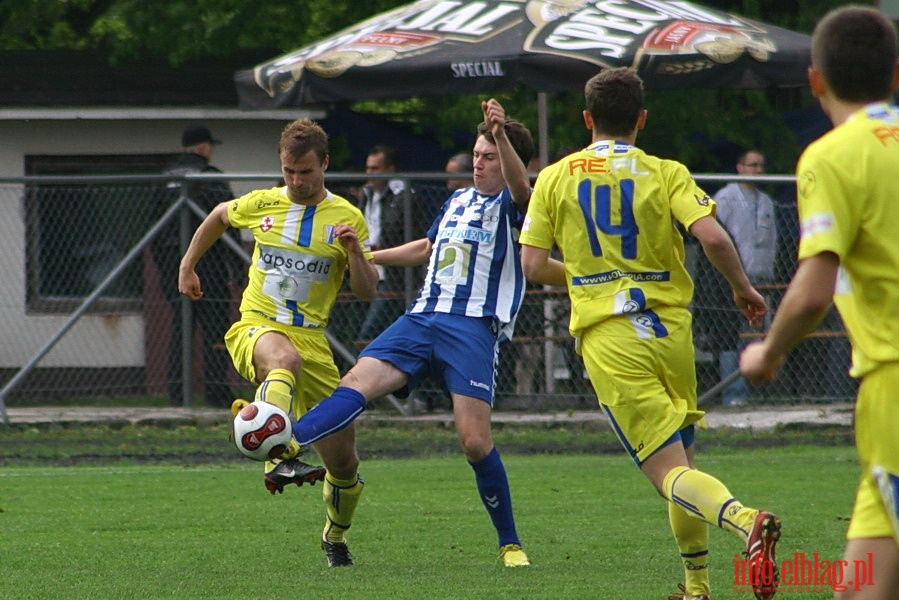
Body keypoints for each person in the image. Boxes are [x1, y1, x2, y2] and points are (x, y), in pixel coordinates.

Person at [519, 67, 780, 600]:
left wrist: (593, 277)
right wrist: (742, 289)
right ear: (641, 118)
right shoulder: (666, 171)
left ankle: (746, 521)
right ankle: (696, 586)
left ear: (587, 118)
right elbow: (712, 235)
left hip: (611, 337)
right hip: (670, 331)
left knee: (667, 473)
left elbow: (531, 265)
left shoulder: (554, 176)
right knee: (684, 462)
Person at [286, 99, 535, 568]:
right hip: (422, 318)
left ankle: (510, 543)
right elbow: (425, 247)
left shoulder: (516, 204)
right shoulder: (457, 200)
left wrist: (502, 134)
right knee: (355, 382)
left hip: (472, 328)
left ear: (508, 160)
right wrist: (367, 254)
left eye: (489, 157)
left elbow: (522, 189)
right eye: (477, 156)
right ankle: (286, 443)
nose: (478, 165)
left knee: (475, 442)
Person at [741, 6, 899, 599]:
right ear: (896, 74)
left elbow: (811, 291)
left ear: (815, 81)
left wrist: (768, 353)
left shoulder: (831, 156)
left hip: (892, 382)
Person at [178, 118, 380, 568]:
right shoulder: (263, 203)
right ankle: (276, 457)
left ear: (324, 164)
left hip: (314, 341)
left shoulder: (347, 217)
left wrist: (353, 253)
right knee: (282, 358)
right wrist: (188, 266)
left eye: (305, 172)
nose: (296, 180)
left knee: (344, 464)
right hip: (257, 326)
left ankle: (335, 537)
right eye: (289, 170)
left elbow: (367, 289)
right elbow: (216, 216)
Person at [152, 124, 238, 408]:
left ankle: (179, 393)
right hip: (208, 265)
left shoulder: (165, 179)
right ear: (203, 147)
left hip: (172, 266)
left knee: (181, 328)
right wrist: (237, 268)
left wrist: (165, 269)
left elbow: (151, 227)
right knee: (215, 329)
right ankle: (215, 391)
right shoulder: (211, 178)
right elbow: (229, 223)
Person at [712, 149, 778, 406]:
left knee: (758, 335)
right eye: (752, 165)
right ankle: (734, 395)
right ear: (739, 167)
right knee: (733, 335)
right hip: (735, 278)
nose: (757, 170)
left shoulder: (766, 201)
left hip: (764, 276)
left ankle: (757, 390)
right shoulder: (726, 197)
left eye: (760, 165)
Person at [355, 144, 430, 344]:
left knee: (369, 331)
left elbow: (408, 234)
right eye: (368, 168)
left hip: (393, 273)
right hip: (367, 267)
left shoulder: (405, 196)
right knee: (357, 324)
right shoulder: (367, 194)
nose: (370, 173)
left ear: (390, 169)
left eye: (375, 168)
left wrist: (380, 248)